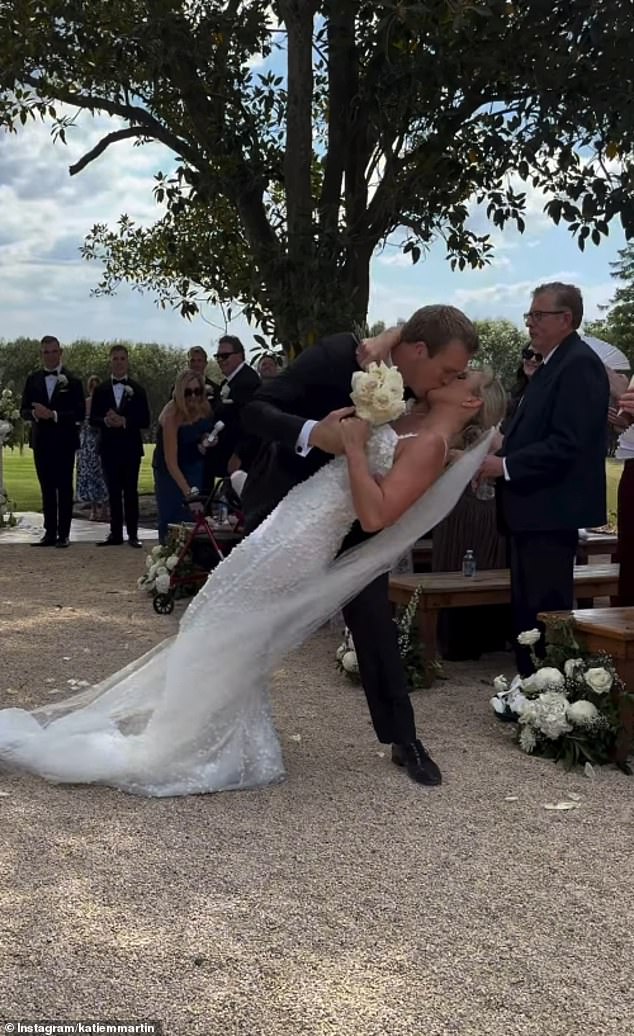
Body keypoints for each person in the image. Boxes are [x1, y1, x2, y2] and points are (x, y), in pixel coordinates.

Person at [0, 368, 500, 796]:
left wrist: (352, 450)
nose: (450, 375)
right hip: (291, 519)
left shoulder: (432, 443)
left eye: (461, 377)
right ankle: (223, 737)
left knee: (220, 620)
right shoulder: (410, 417)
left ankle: (192, 744)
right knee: (215, 616)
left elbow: (375, 516)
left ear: (470, 400)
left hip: (306, 540)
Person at [241, 305, 479, 786]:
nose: (448, 379)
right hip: (288, 509)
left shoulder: (414, 384)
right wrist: (314, 434)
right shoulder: (336, 356)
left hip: (355, 519)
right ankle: (227, 717)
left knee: (374, 622)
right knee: (248, 621)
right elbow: (254, 409)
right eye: (445, 370)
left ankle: (403, 738)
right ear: (416, 351)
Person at [478, 282, 609, 675]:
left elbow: (568, 442)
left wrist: (503, 467)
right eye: (529, 315)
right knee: (527, 609)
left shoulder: (578, 364)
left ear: (566, 319)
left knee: (545, 610)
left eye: (539, 315)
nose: (531, 323)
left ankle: (547, 689)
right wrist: (496, 458)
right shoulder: (551, 363)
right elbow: (529, 434)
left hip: (551, 509)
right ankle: (530, 687)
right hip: (530, 509)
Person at [430, 374, 509, 660]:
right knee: (454, 562)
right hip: (457, 510)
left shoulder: (498, 434)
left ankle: (477, 637)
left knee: (481, 565)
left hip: (481, 511)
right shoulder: (455, 428)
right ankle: (454, 637)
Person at [19, 335, 84, 548]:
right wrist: (36, 414)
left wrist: (54, 414)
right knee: (46, 488)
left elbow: (79, 413)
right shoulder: (33, 379)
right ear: (41, 354)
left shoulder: (72, 381)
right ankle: (49, 532)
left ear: (60, 352)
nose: (50, 356)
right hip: (42, 442)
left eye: (53, 351)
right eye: (46, 352)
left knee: (64, 488)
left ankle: (64, 534)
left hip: (64, 442)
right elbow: (24, 410)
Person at [91, 346, 151, 549]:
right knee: (113, 492)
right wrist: (106, 421)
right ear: (110, 361)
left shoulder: (138, 389)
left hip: (130, 448)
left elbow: (145, 420)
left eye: (122, 358)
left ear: (127, 361)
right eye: (115, 358)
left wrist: (124, 421)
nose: (118, 362)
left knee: (131, 492)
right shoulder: (100, 390)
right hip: (108, 448)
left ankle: (133, 534)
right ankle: (115, 533)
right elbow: (92, 420)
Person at [153, 371, 213, 543]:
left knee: (194, 521)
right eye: (188, 392)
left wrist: (205, 439)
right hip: (171, 475)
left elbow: (201, 430)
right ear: (180, 392)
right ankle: (168, 563)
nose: (193, 396)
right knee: (174, 521)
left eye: (197, 391)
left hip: (194, 468)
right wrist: (189, 495)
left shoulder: (204, 407)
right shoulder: (171, 415)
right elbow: (171, 462)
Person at [202, 335, 261, 486]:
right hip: (224, 454)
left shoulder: (248, 381)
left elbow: (251, 423)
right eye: (218, 356)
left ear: (240, 355)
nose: (221, 360)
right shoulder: (228, 382)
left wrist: (238, 454)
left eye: (225, 355)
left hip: (241, 461)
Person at [76, 375, 109, 522]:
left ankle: (105, 509)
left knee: (102, 475)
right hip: (86, 443)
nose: (94, 390)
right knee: (89, 476)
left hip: (99, 441)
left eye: (97, 387)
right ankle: (93, 508)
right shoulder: (85, 403)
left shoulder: (105, 403)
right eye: (92, 387)